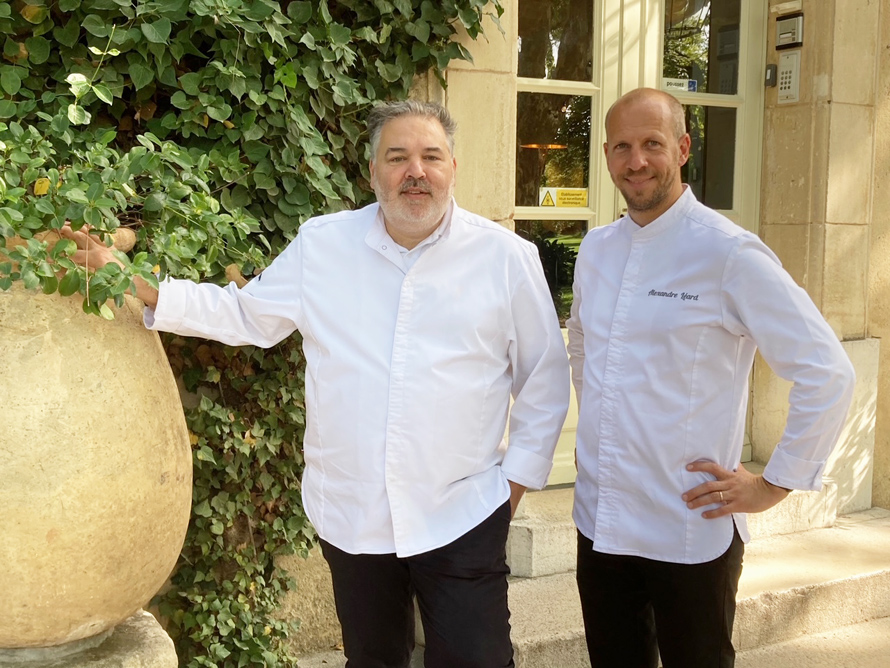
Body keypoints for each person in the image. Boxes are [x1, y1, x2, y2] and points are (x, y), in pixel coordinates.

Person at [63, 101, 570, 668]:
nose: (415, 171)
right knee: (372, 660)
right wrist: (135, 283)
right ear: (373, 170)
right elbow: (246, 315)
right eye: (396, 157)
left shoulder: (506, 258)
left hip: (462, 510)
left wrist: (515, 485)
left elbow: (544, 378)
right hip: (352, 514)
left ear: (453, 164)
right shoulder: (323, 244)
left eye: (431, 156)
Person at [566, 87, 856, 668]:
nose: (636, 160)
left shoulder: (729, 254)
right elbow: (583, 349)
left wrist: (774, 484)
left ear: (682, 148)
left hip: (689, 525)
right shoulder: (596, 249)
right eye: (621, 146)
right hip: (600, 518)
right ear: (605, 156)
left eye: (652, 143)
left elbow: (827, 371)